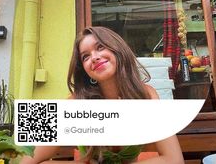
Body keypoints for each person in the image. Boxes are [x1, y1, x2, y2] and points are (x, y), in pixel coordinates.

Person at [21, 26, 184, 164]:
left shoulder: (146, 94)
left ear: (118, 50)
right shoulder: (74, 103)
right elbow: (28, 158)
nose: (94, 57)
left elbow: (174, 159)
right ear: (84, 69)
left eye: (100, 47)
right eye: (85, 56)